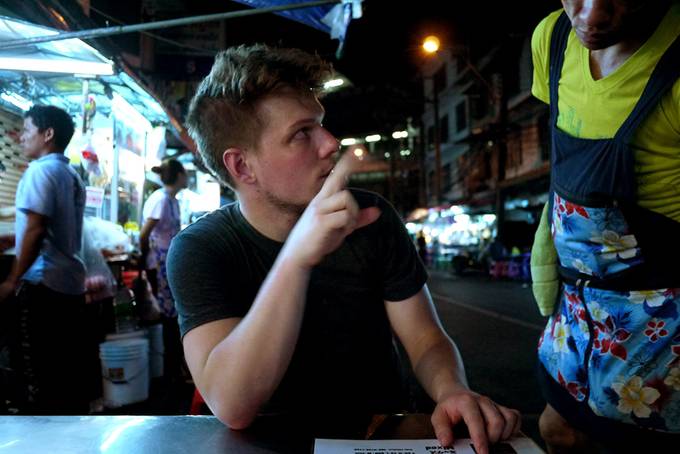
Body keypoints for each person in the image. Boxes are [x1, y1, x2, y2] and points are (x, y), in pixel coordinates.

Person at [166, 44, 520, 454]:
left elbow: (425, 339)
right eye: (302, 133)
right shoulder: (200, 249)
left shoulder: (371, 218)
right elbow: (233, 404)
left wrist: (452, 389)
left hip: (380, 436)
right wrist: (296, 259)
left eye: (322, 124)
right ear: (243, 167)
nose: (331, 142)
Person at [529, 1, 680, 451]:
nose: (591, 15)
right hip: (578, 305)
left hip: (660, 311)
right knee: (558, 428)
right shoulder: (552, 38)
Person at [0, 105, 91, 414]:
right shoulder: (69, 173)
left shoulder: (40, 170)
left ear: (47, 134)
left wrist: (12, 280)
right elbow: (49, 226)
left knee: (35, 376)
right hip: (68, 285)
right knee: (62, 373)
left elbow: (37, 228)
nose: (21, 137)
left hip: (44, 285)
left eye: (26, 130)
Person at [140, 158, 188, 382]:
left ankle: (175, 366)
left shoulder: (172, 200)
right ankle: (170, 372)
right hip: (159, 262)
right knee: (169, 317)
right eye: (185, 173)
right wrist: (144, 259)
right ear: (178, 176)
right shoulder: (160, 200)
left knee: (173, 314)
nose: (186, 177)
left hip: (169, 261)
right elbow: (144, 234)